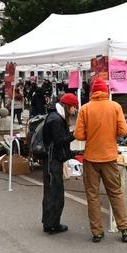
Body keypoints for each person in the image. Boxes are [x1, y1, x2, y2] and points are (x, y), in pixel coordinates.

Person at [73, 78, 127, 243]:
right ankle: (125, 228)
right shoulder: (115, 107)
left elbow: (78, 135)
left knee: (92, 195)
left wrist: (90, 134)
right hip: (109, 157)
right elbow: (124, 130)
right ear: (106, 91)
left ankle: (97, 232)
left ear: (93, 91)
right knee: (115, 193)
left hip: (91, 157)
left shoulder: (85, 109)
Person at [41, 93, 79, 234]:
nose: (75, 110)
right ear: (68, 106)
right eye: (74, 107)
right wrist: (74, 134)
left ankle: (49, 222)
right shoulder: (56, 119)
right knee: (55, 193)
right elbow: (59, 141)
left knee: (51, 192)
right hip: (52, 161)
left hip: (51, 159)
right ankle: (52, 224)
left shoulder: (55, 116)